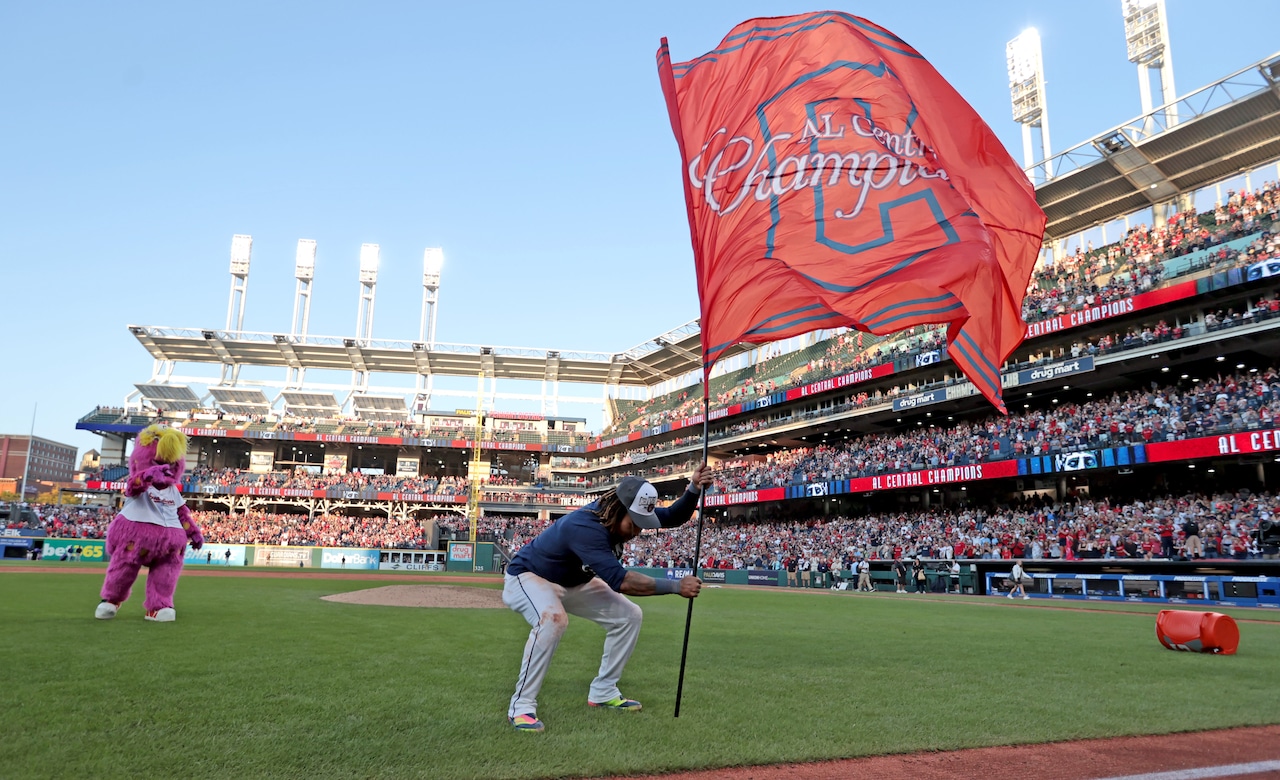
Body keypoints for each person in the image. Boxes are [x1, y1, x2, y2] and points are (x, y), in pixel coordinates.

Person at [502, 465, 714, 733]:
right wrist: (675, 586)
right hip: (530, 577)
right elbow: (621, 581)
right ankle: (521, 708)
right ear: (618, 509)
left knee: (629, 616)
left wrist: (694, 488)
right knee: (553, 620)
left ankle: (603, 691)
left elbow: (674, 515)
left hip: (574, 582)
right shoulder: (585, 526)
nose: (637, 530)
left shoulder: (621, 516)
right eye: (635, 523)